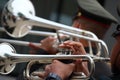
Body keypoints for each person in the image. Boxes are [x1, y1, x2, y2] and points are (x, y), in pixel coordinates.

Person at [72, 0, 118, 79]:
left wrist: (43, 50)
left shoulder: (66, 62)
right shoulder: (107, 71)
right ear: (102, 36)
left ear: (77, 27)